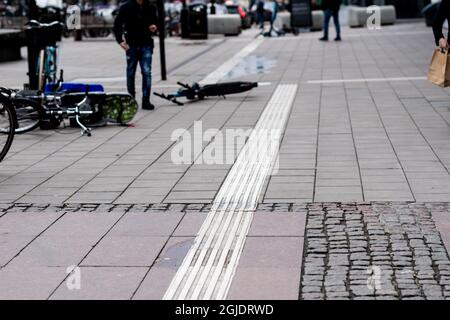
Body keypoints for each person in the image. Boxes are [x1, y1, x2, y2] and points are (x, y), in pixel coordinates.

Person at [114, 0, 158, 110]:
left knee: (146, 72)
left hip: (146, 43)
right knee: (130, 72)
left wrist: (154, 26)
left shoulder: (150, 7)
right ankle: (131, 100)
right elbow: (117, 24)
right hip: (131, 44)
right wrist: (120, 41)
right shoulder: (126, 7)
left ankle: (145, 100)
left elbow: (155, 22)